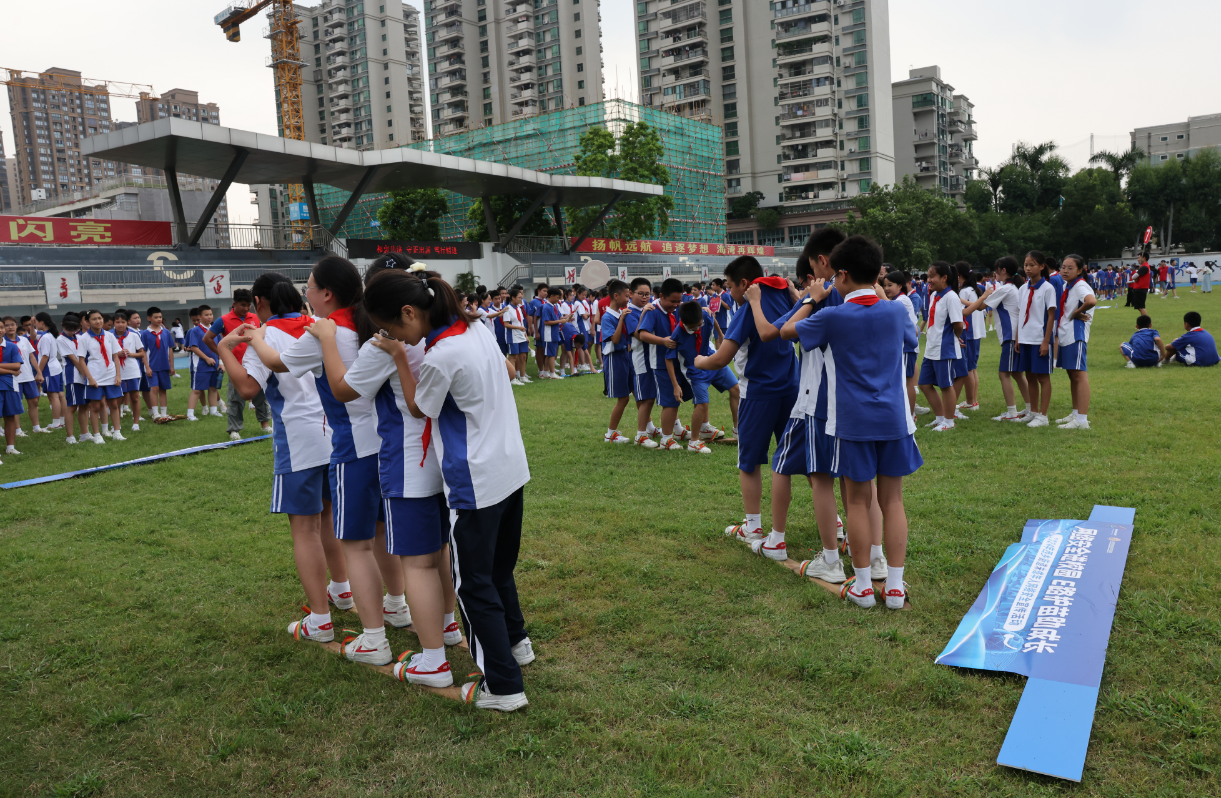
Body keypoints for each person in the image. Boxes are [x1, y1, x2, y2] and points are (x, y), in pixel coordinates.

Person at [361, 267, 534, 712]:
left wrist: (400, 358)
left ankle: (503, 687)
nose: (393, 335)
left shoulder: (440, 356)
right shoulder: (477, 327)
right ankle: (518, 646)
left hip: (473, 479)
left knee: (472, 585)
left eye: (392, 328)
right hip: (510, 468)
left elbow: (421, 408)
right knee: (498, 571)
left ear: (409, 313)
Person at [250, 256, 433, 668]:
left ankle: (373, 638)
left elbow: (276, 363)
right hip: (386, 444)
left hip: (351, 449)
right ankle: (396, 604)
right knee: (384, 534)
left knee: (356, 545)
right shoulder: (370, 323)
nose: (306, 294)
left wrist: (255, 338)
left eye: (310, 287)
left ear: (327, 293)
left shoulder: (324, 332)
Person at [215, 272, 349, 647]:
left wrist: (225, 348)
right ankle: (341, 591)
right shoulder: (318, 326)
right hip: (333, 434)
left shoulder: (265, 335)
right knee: (327, 517)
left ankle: (320, 619)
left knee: (304, 529)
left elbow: (246, 387)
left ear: (259, 302)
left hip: (297, 438)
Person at [791, 235, 922, 609]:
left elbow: (784, 333)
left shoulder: (830, 315)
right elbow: (909, 340)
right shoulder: (897, 310)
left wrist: (812, 298)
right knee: (893, 500)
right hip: (895, 420)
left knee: (859, 503)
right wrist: (879, 293)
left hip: (851, 422)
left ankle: (863, 586)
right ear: (877, 274)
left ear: (841, 273)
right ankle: (894, 587)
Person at [694, 256, 798, 546]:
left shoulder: (746, 310)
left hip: (759, 395)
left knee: (749, 462)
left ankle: (753, 526)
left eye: (729, 285)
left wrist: (700, 360)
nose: (729, 292)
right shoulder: (787, 297)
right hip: (793, 390)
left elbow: (722, 358)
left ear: (743, 283)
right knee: (803, 458)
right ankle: (835, 523)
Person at [668, 299, 738, 454]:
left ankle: (738, 430)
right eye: (695, 327)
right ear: (685, 323)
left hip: (711, 360)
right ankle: (694, 442)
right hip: (695, 371)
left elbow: (711, 318)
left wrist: (720, 335)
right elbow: (668, 359)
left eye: (700, 324)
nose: (699, 328)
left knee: (736, 389)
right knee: (702, 404)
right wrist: (675, 385)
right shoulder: (677, 334)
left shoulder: (704, 317)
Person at [206, 289, 273, 440]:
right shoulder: (223, 320)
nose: (246, 308)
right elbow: (208, 338)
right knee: (235, 398)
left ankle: (265, 425)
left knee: (261, 396)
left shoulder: (256, 318)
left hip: (256, 364)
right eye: (243, 305)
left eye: (248, 305)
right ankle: (234, 430)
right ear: (234, 303)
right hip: (236, 365)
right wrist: (222, 353)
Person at [638, 278, 690, 451]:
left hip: (677, 362)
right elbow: (643, 334)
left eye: (678, 301)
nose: (675, 305)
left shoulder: (676, 310)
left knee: (676, 399)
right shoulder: (652, 311)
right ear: (661, 296)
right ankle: (666, 439)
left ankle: (674, 433)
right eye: (672, 301)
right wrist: (662, 341)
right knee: (669, 401)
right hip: (660, 363)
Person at [982, 257, 1032, 422]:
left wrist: (959, 302)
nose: (994, 273)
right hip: (1014, 336)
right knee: (1017, 374)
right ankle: (1029, 409)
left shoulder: (1006, 288)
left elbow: (981, 306)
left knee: (1004, 374)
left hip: (1010, 337)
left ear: (1003, 271)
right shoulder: (1011, 288)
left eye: (996, 270)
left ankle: (1012, 413)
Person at [917, 262, 964, 432]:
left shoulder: (951, 297)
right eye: (928, 276)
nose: (928, 280)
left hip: (944, 348)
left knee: (945, 385)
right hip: (931, 347)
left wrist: (955, 337)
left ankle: (949, 422)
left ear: (944, 278)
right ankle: (940, 418)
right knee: (924, 383)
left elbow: (958, 324)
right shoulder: (935, 296)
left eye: (932, 276)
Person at [1053, 255, 1097, 430]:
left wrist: (1077, 313)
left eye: (1070, 268)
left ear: (1080, 270)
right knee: (1073, 376)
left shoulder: (1080, 285)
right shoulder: (1068, 285)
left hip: (1075, 335)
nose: (1065, 270)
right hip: (1066, 334)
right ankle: (1076, 413)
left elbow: (1091, 301)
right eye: (1063, 267)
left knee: (1079, 376)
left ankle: (1082, 420)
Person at [1015, 251, 1057, 428]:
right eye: (1026, 265)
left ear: (1042, 267)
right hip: (1025, 339)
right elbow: (1020, 314)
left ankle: (1043, 415)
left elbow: (1051, 316)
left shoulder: (1047, 288)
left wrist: (1046, 341)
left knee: (1043, 378)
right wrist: (1017, 338)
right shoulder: (1023, 288)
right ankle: (1033, 411)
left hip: (1040, 339)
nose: (1028, 268)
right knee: (1030, 376)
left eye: (1032, 265)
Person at [624, 278, 660, 447]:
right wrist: (645, 313)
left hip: (652, 359)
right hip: (641, 361)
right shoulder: (631, 313)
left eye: (648, 294)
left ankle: (649, 428)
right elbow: (639, 335)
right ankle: (640, 435)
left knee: (649, 397)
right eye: (641, 294)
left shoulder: (650, 307)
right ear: (631, 294)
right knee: (646, 398)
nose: (645, 297)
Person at [882, 271, 921, 422]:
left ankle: (910, 415)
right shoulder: (898, 299)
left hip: (907, 347)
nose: (886, 289)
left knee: (907, 381)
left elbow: (889, 309)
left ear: (900, 286)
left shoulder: (902, 300)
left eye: (890, 285)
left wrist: (880, 295)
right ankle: (907, 414)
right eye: (884, 285)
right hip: (902, 347)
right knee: (902, 381)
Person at [599, 279, 634, 443]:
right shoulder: (608, 317)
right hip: (614, 358)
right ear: (616, 295)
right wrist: (621, 320)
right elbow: (614, 339)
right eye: (626, 296)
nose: (628, 299)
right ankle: (610, 434)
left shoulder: (620, 313)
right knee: (624, 397)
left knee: (633, 393)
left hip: (624, 356)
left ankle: (648, 427)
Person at [953, 263, 990, 415]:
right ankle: (972, 400)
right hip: (977, 332)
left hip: (969, 332)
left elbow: (963, 310)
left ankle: (970, 402)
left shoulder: (964, 291)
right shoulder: (974, 290)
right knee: (972, 368)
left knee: (968, 368)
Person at [81, 310, 124, 442]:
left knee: (114, 404)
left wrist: (118, 375)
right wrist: (90, 378)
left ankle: (117, 432)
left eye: (100, 318)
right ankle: (97, 435)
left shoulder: (109, 336)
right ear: (88, 322)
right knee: (95, 406)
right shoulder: (84, 338)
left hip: (110, 374)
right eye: (94, 319)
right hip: (95, 375)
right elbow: (81, 360)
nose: (98, 321)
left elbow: (115, 355)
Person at [57, 313, 91, 444]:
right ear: (62, 326)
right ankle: (70, 436)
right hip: (74, 376)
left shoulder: (80, 337)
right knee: (72, 406)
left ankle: (85, 434)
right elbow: (75, 360)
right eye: (69, 329)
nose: (72, 332)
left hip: (84, 374)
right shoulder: (61, 340)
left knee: (84, 405)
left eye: (74, 329)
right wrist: (85, 373)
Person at [5, 317, 41, 436]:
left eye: (12, 324)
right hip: (14, 377)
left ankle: (36, 427)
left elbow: (32, 357)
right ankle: (17, 430)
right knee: (15, 403)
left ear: (16, 326)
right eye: (7, 325)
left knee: (34, 401)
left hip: (28, 375)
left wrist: (38, 372)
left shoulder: (23, 340)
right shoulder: (4, 343)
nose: (10, 327)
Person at [112, 311, 147, 432]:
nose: (120, 325)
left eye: (123, 322)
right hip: (116, 371)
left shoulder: (133, 336)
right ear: (113, 323)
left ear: (127, 323)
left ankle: (136, 423)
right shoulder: (109, 336)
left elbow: (142, 352)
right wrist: (117, 354)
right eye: (117, 322)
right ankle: (116, 425)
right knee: (117, 399)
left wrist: (130, 354)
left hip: (132, 370)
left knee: (135, 396)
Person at [185, 306, 220, 421]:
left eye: (211, 314)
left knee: (213, 388)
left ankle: (214, 411)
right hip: (200, 365)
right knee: (197, 390)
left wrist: (221, 363)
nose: (209, 317)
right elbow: (194, 348)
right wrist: (206, 358)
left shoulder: (215, 330)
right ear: (200, 317)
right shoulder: (194, 331)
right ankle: (190, 414)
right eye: (206, 315)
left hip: (214, 364)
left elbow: (219, 348)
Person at [33, 313, 65, 432]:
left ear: (42, 322)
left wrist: (39, 372)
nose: (35, 324)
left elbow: (45, 356)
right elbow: (33, 336)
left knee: (53, 396)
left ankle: (56, 422)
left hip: (49, 369)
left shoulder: (46, 337)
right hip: (55, 367)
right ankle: (62, 420)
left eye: (36, 322)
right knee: (60, 395)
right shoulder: (50, 335)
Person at [141, 307, 175, 419]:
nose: (159, 319)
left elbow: (170, 349)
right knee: (154, 388)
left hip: (164, 366)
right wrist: (147, 367)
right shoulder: (145, 333)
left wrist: (171, 366)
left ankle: (164, 413)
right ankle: (155, 413)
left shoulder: (165, 332)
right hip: (152, 366)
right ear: (149, 318)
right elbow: (143, 351)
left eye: (160, 317)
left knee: (163, 389)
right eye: (156, 317)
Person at [0, 322, 25, 459]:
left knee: (10, 416)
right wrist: (10, 370)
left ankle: (11, 447)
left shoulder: (11, 346)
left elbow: (17, 366)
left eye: (1, 327)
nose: (0, 330)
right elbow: (14, 369)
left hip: (10, 386)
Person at [501, 287, 531, 385]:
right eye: (519, 297)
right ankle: (512, 378)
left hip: (521, 335)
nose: (521, 299)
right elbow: (506, 324)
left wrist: (525, 335)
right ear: (513, 298)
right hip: (512, 336)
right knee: (513, 357)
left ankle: (522, 377)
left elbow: (521, 322)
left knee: (523, 357)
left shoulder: (519, 308)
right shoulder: (507, 309)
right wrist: (519, 329)